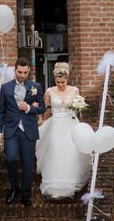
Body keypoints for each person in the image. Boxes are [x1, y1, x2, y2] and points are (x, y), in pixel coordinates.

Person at [36, 62, 91, 199]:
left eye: (63, 81)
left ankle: (70, 184)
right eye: (58, 81)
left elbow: (78, 109)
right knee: (55, 152)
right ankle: (55, 186)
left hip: (70, 123)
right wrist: (40, 119)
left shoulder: (74, 90)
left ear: (67, 79)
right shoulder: (49, 91)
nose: (60, 84)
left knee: (71, 152)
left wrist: (79, 107)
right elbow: (43, 108)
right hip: (55, 124)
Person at [0, 58, 43, 206]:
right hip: (11, 129)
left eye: (25, 72)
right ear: (15, 70)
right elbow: (1, 111)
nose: (22, 75)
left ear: (29, 70)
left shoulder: (36, 86)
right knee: (10, 159)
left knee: (28, 164)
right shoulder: (5, 88)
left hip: (28, 129)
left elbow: (42, 107)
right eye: (19, 72)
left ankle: (25, 194)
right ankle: (13, 187)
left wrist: (29, 108)